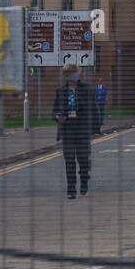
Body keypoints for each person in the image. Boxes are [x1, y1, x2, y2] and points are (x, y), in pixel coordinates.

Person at [53, 64, 101, 199]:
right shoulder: (61, 91)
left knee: (83, 160)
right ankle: (71, 190)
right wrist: (57, 116)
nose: (72, 76)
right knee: (69, 161)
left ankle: (84, 181)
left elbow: (94, 109)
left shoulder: (86, 89)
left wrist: (96, 129)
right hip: (67, 131)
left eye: (74, 73)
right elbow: (54, 110)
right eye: (69, 73)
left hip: (82, 131)